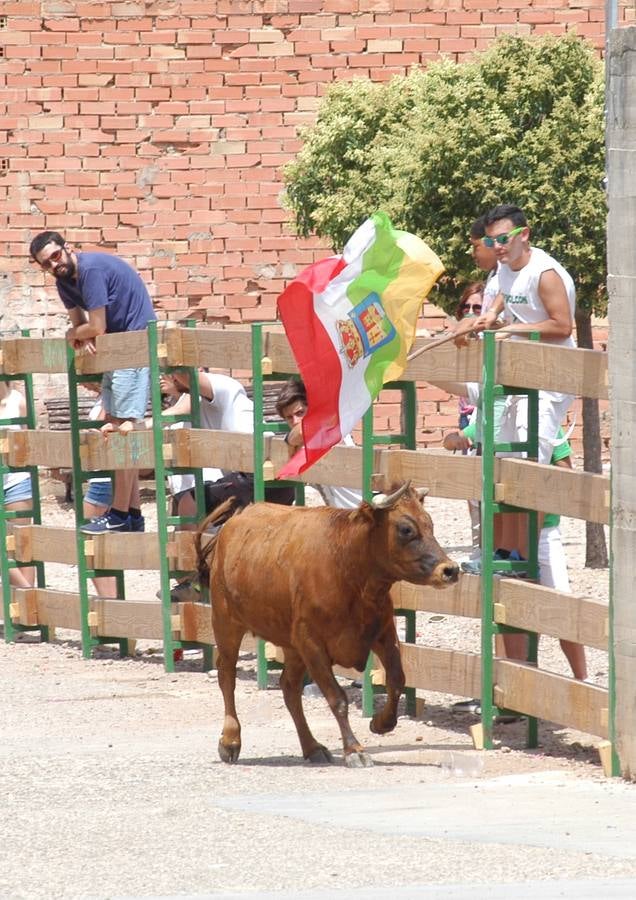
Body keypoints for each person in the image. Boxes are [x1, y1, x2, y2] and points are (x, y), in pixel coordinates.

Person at [29, 231, 156, 534]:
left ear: (67, 248)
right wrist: (79, 334)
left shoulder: (90, 271)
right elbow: (81, 325)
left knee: (124, 433)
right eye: (46, 264)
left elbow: (93, 326)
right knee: (116, 430)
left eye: (55, 256)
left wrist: (75, 335)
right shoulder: (64, 282)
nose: (54, 265)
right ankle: (133, 515)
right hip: (116, 348)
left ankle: (120, 514)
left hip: (131, 344)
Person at [444, 417, 587, 682]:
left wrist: (538, 485)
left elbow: (566, 469)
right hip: (503, 530)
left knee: (560, 602)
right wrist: (457, 439)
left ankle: (582, 679)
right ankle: (511, 682)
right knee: (506, 604)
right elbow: (451, 439)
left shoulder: (545, 422)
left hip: (543, 531)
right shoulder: (496, 418)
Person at [160, 369, 294, 602]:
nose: (165, 377)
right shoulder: (194, 403)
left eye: (170, 373)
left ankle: (200, 584)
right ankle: (207, 582)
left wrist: (174, 360)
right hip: (259, 474)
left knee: (190, 505)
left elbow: (187, 375)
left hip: (261, 473)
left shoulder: (220, 387)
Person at [466, 204, 577, 464]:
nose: (497, 246)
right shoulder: (507, 266)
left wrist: (511, 329)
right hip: (523, 371)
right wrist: (493, 311)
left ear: (524, 234)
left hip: (553, 375)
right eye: (490, 240)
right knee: (507, 456)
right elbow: (509, 289)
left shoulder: (545, 274)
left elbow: (563, 326)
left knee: (531, 461)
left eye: (504, 239)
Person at [275, 377, 363, 510]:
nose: (295, 421)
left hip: (362, 515)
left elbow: (300, 433)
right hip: (345, 518)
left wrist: (288, 441)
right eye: (289, 417)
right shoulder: (309, 440)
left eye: (300, 413)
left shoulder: (329, 427)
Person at [0, 381, 35, 590]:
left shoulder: (18, 401)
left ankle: (27, 616)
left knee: (23, 544)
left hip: (16, 480)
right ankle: (32, 600)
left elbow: (31, 439)